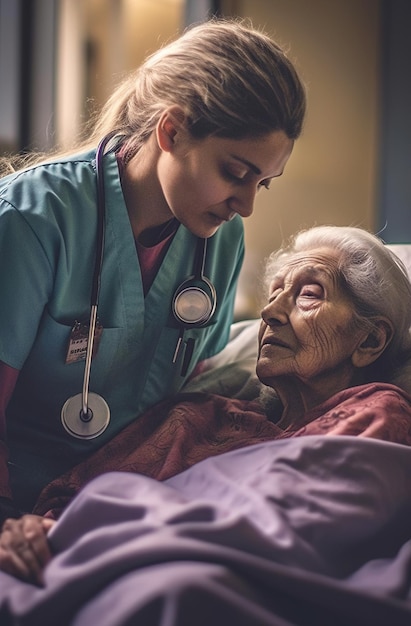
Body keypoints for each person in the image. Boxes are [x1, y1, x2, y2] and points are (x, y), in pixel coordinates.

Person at [0, 18, 306, 525]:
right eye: (235, 172)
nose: (247, 205)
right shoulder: (31, 221)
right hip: (23, 504)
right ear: (171, 130)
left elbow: (190, 390)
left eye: (264, 183)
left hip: (136, 499)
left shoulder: (218, 239)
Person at [2, 224, 411, 586]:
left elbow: (305, 534)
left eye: (308, 294)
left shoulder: (377, 413)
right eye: (274, 294)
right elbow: (67, 501)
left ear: (370, 340)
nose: (270, 312)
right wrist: (32, 531)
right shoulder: (195, 416)